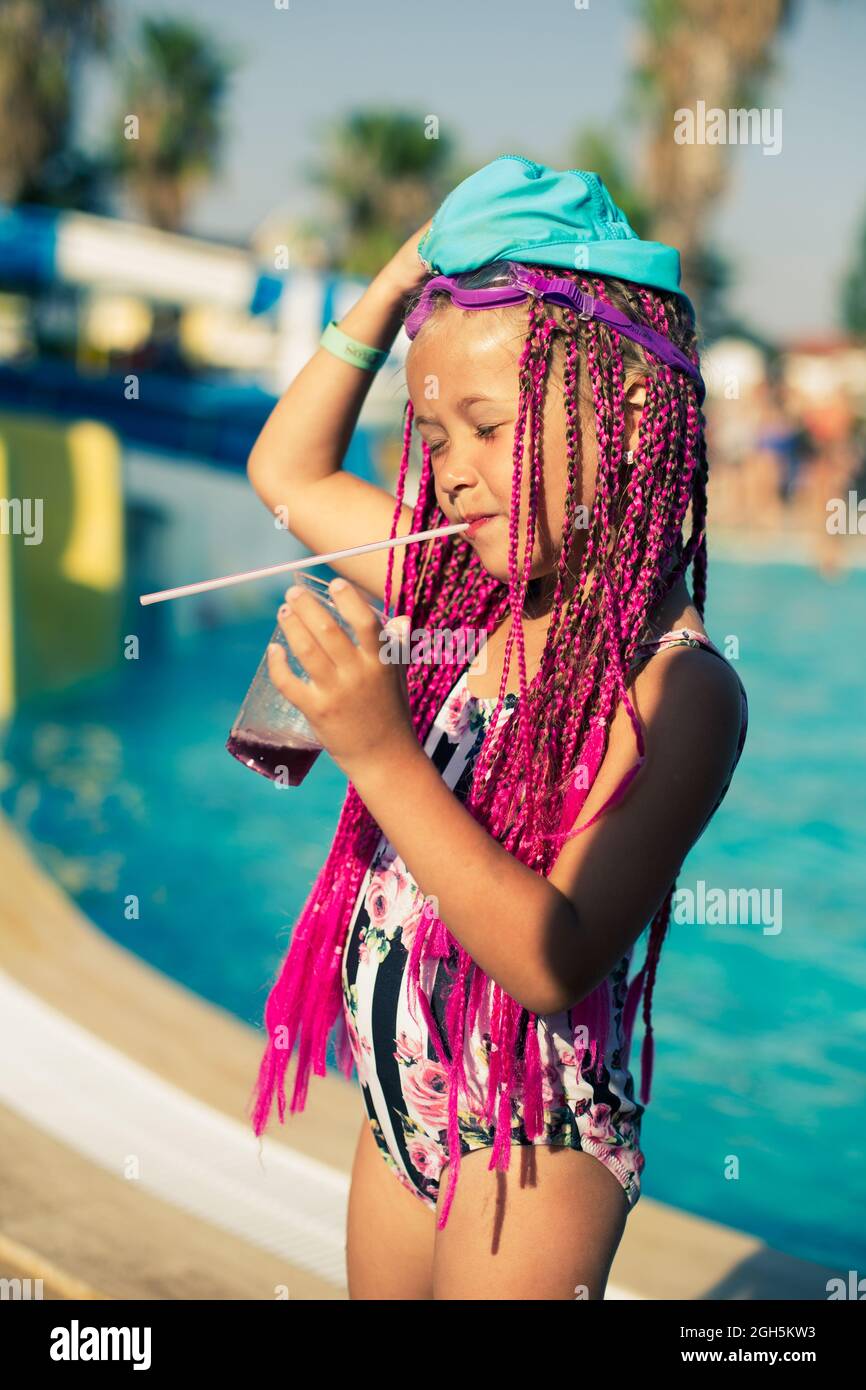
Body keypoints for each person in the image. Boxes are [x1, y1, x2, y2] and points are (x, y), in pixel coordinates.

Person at [244, 155, 749, 1300]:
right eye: (435, 437)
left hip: (529, 1140)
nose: (452, 477)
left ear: (622, 415)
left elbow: (549, 954)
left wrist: (378, 745)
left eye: (485, 426)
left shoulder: (679, 687)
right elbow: (284, 467)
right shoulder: (456, 597)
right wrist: (399, 276)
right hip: (400, 1106)